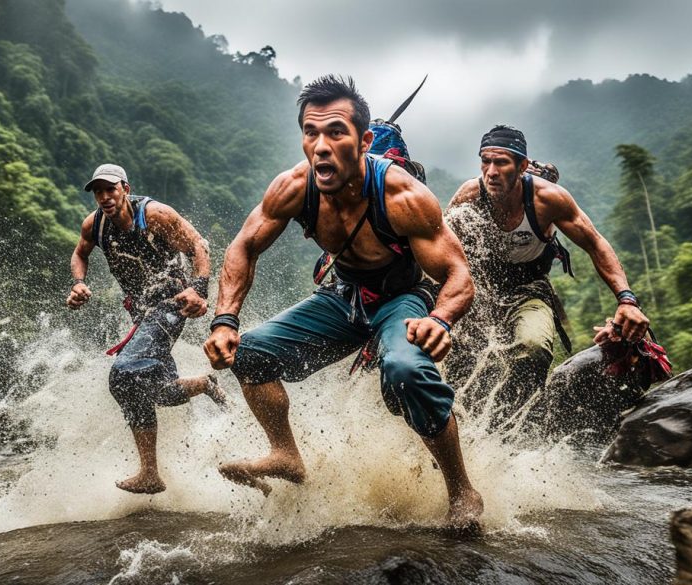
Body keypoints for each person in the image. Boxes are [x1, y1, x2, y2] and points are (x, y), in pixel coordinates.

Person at [202, 75, 483, 528]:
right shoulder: (294, 187)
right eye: (311, 133)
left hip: (401, 299)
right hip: (342, 296)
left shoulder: (402, 195)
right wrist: (224, 321)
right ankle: (285, 453)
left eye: (336, 132)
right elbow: (243, 248)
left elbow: (457, 274)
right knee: (249, 354)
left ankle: (461, 490)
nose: (321, 145)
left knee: (407, 372)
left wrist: (443, 318)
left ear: (364, 139)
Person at [443, 126, 650, 428]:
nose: (491, 172)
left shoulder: (547, 199)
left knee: (533, 348)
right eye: (485, 162)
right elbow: (439, 245)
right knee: (462, 354)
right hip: (477, 289)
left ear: (522, 166)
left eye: (501, 162)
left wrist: (627, 300)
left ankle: (514, 426)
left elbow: (595, 243)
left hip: (529, 290)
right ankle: (461, 423)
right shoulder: (469, 195)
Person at [68, 163, 226, 494]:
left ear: (125, 188)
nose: (105, 197)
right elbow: (80, 253)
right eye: (98, 192)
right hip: (142, 312)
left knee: (123, 374)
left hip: (171, 305)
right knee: (158, 391)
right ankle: (204, 384)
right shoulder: (95, 225)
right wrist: (79, 283)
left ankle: (149, 473)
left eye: (110, 189)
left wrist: (199, 289)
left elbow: (200, 245)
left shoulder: (155, 215)